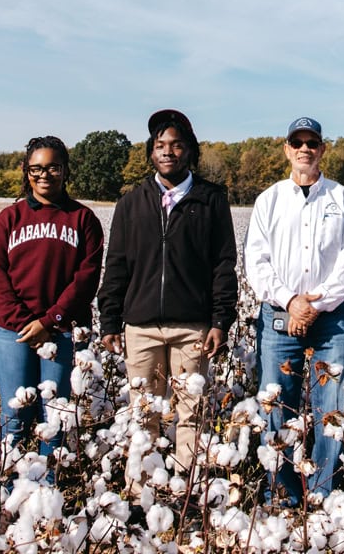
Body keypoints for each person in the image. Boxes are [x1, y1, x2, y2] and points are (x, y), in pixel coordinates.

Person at [98, 109, 239, 481]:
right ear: (151, 152)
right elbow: (117, 265)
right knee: (143, 414)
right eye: (160, 145)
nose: (168, 152)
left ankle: (186, 491)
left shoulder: (211, 201)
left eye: (176, 145)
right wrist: (110, 320)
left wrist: (220, 320)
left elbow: (224, 265)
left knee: (191, 413)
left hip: (193, 327)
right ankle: (141, 491)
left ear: (190, 151)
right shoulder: (132, 203)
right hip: (141, 328)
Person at [244, 117, 344, 504]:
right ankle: (281, 492)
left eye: (312, 142)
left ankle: (322, 493)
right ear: (286, 149)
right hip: (280, 318)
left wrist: (317, 303)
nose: (305, 149)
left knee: (334, 408)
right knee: (276, 403)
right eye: (297, 142)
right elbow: (257, 260)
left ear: (322, 149)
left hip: (333, 321)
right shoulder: (269, 200)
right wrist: (291, 300)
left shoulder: (343, 199)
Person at [0, 136, 104, 464]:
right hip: (12, 332)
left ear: (65, 171)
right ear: (26, 171)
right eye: (36, 168)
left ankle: (48, 487)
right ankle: (10, 488)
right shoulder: (9, 218)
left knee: (55, 415)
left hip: (62, 331)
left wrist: (51, 321)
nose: (44, 175)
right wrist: (25, 323)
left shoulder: (83, 219)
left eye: (53, 167)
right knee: (14, 414)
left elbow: (86, 277)